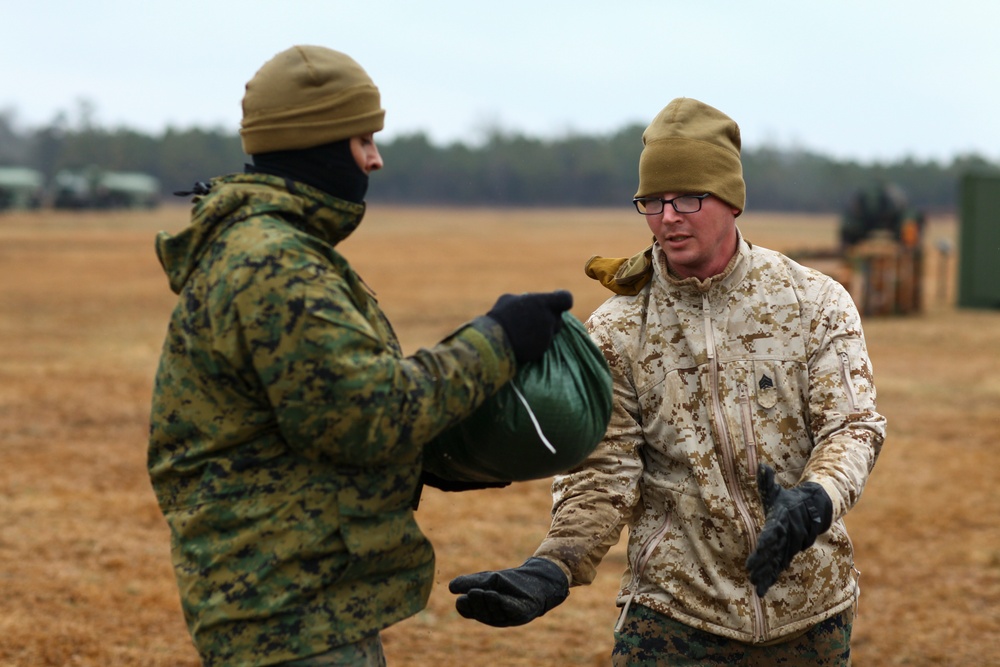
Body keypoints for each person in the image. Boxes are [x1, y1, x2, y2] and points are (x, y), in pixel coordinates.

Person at [147, 45, 573, 667]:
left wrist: (447, 457)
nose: (375, 158)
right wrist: (500, 340)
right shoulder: (275, 264)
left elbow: (318, 416)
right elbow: (366, 417)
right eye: (362, 139)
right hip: (287, 616)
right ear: (315, 143)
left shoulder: (273, 249)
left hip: (292, 603)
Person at [448, 98, 886, 666]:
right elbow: (605, 471)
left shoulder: (813, 302)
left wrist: (814, 501)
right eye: (652, 201)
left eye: (687, 198)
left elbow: (852, 425)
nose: (668, 216)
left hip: (811, 615)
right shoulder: (616, 328)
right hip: (674, 621)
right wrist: (553, 565)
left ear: (730, 199)